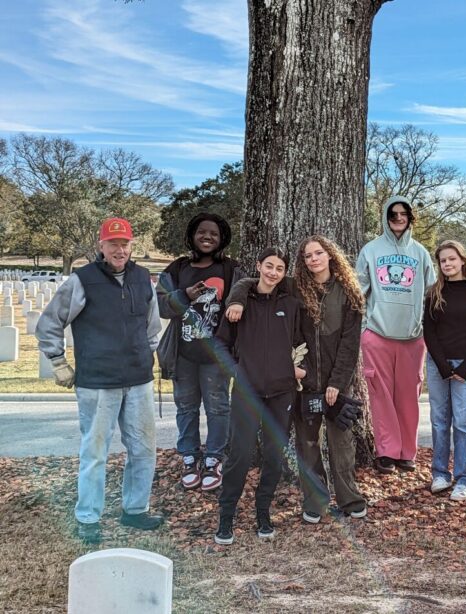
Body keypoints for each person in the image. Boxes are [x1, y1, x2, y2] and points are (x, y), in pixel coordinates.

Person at [36, 217, 163, 544]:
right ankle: (88, 517)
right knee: (95, 451)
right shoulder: (82, 281)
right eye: (113, 244)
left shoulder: (141, 279)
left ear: (132, 245)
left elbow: (151, 327)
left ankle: (135, 510)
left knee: (144, 448)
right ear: (101, 245)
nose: (119, 250)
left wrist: (148, 354)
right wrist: (57, 360)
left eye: (124, 244)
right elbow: (50, 322)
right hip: (97, 381)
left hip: (138, 379)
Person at [223, 236, 368, 523]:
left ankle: (350, 499)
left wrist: (336, 383)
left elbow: (351, 344)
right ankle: (316, 501)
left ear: (330, 255)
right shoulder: (295, 287)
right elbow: (252, 283)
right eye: (307, 255)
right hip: (304, 381)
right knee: (307, 444)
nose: (313, 259)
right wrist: (237, 298)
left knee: (341, 444)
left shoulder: (348, 292)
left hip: (337, 381)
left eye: (318, 253)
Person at [212, 247, 304, 545]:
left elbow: (303, 343)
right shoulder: (239, 304)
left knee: (274, 457)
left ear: (284, 272)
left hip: (281, 392)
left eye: (279, 268)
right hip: (246, 392)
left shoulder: (290, 304)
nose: (273, 272)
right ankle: (226, 517)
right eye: (269, 266)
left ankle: (263, 513)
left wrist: (299, 369)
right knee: (238, 455)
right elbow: (221, 344)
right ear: (259, 266)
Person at [156, 213, 242, 492]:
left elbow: (243, 297)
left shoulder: (231, 269)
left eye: (214, 234)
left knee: (218, 407)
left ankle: (214, 458)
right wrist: (185, 296)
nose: (208, 237)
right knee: (186, 407)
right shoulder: (177, 268)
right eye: (202, 232)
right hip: (183, 353)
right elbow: (160, 305)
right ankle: (190, 457)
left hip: (217, 355)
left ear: (222, 239)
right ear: (192, 235)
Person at [356, 196, 436, 474]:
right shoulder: (371, 249)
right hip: (377, 333)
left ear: (410, 217)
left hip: (413, 338)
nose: (399, 218)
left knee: (408, 396)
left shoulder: (421, 253)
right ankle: (387, 452)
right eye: (393, 214)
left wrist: (425, 327)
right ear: (386, 217)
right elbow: (359, 291)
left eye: (404, 214)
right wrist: (365, 327)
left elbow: (432, 294)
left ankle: (407, 452)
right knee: (381, 396)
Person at [423, 240, 466, 502]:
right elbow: (429, 331)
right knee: (440, 421)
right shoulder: (434, 293)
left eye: (452, 259)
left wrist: (465, 367)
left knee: (463, 423)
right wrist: (442, 365)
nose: (448, 264)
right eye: (443, 260)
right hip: (438, 363)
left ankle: (465, 477)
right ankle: (440, 473)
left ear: (463, 260)